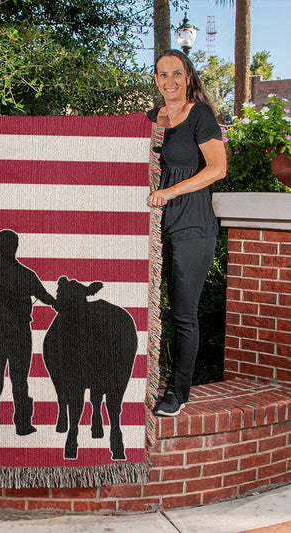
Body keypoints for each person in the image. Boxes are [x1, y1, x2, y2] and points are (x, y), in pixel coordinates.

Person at [146, 49, 227, 417]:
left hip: (192, 226)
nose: (170, 81)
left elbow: (218, 169)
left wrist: (169, 192)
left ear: (189, 76)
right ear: (157, 80)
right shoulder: (151, 119)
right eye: (163, 75)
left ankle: (177, 393)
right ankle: (145, 382)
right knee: (147, 309)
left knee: (183, 314)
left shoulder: (200, 114)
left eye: (176, 73)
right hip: (153, 228)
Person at [0, 230, 57, 436]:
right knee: (18, 380)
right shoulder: (26, 274)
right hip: (17, 334)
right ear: (14, 246)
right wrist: (57, 304)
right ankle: (22, 424)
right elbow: (45, 297)